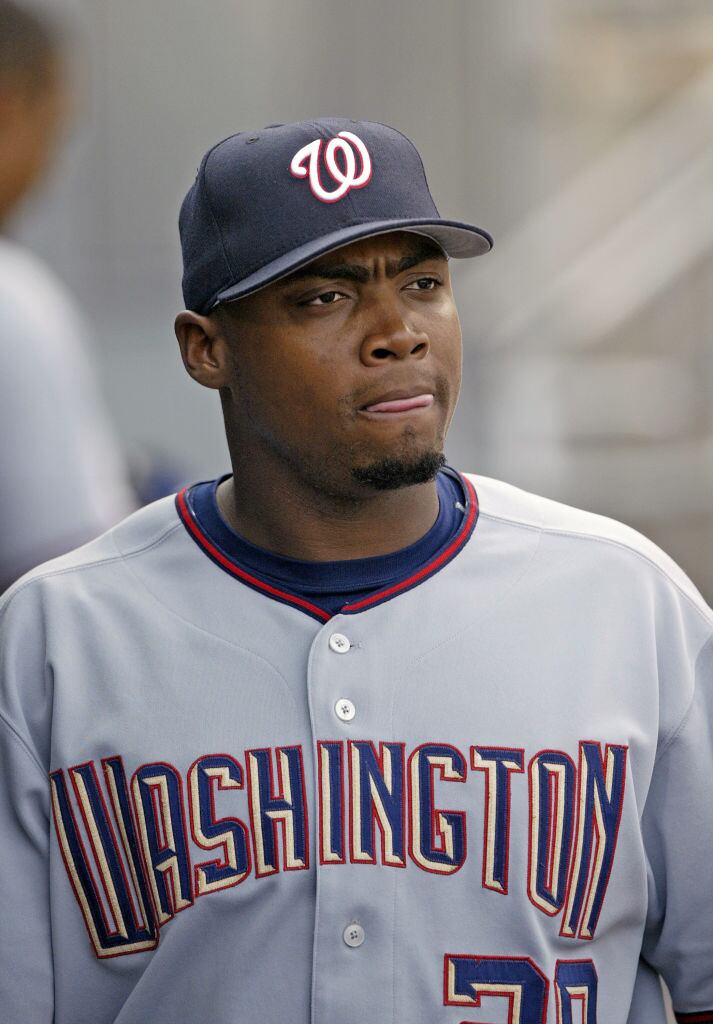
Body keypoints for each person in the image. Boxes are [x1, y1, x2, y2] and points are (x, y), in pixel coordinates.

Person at [0, 117, 709, 1024]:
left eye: (422, 284)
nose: (397, 332)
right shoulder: (57, 639)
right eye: (325, 297)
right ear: (204, 347)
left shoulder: (627, 604)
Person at [0, 0, 134, 592]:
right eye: (51, 131)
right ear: (9, 112)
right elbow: (75, 580)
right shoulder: (13, 302)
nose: (49, 166)